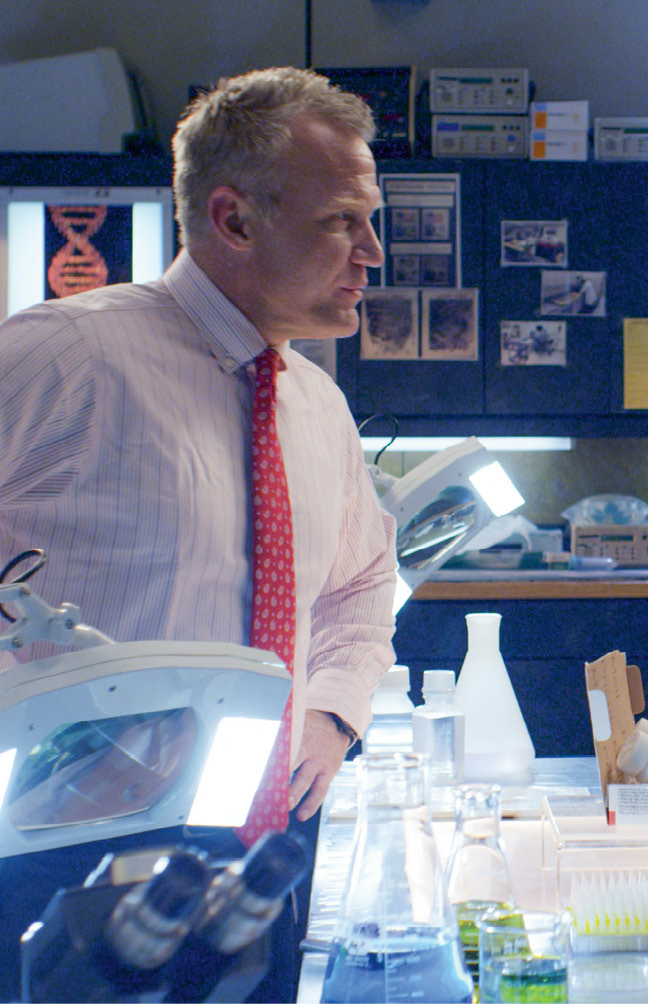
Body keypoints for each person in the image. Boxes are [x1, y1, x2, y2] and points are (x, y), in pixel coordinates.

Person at [0, 66, 396, 1000]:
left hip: (259, 846)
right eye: (345, 220)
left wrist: (333, 714)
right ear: (234, 220)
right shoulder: (65, 357)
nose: (373, 252)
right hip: (65, 848)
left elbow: (358, 586)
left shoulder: (318, 404)